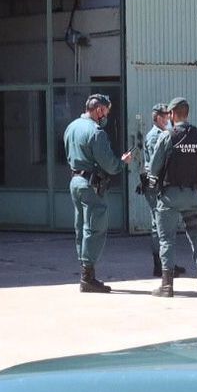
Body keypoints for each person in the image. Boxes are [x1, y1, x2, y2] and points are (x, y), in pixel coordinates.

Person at [63, 93, 132, 293]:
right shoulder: (96, 132)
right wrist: (122, 162)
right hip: (91, 185)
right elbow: (109, 164)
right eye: (106, 111)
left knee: (81, 226)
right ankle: (87, 276)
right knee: (95, 228)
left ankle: (85, 270)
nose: (106, 116)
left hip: (75, 181)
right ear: (99, 109)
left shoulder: (71, 127)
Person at [146, 97, 197, 298]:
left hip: (170, 197)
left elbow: (155, 167)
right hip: (193, 196)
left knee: (167, 240)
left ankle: (167, 286)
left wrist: (152, 185)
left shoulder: (167, 136)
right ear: (187, 113)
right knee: (196, 237)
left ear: (173, 114)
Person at [138, 103, 185, 278]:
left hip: (159, 183)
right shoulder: (155, 136)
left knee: (163, 224)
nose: (168, 119)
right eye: (165, 116)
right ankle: (160, 266)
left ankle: (167, 263)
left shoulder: (162, 134)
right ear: (158, 117)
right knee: (158, 225)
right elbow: (156, 162)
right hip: (155, 184)